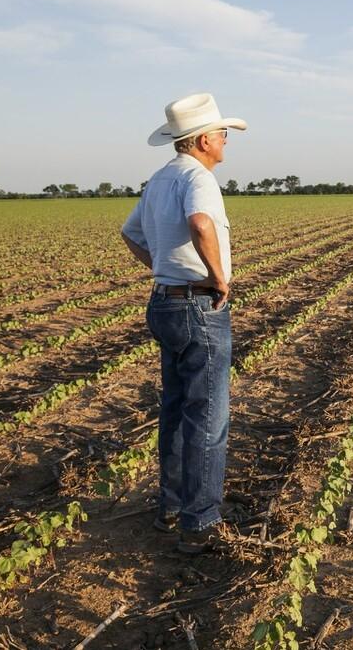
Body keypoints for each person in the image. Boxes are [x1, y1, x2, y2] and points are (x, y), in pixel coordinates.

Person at [120, 92, 245, 553]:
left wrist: (163, 266)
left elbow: (130, 233)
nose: (226, 141)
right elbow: (201, 223)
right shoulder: (198, 177)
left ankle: (171, 506)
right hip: (197, 306)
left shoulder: (159, 178)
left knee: (175, 409)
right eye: (223, 134)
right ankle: (200, 521)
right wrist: (218, 279)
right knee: (208, 415)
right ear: (203, 139)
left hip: (164, 303)